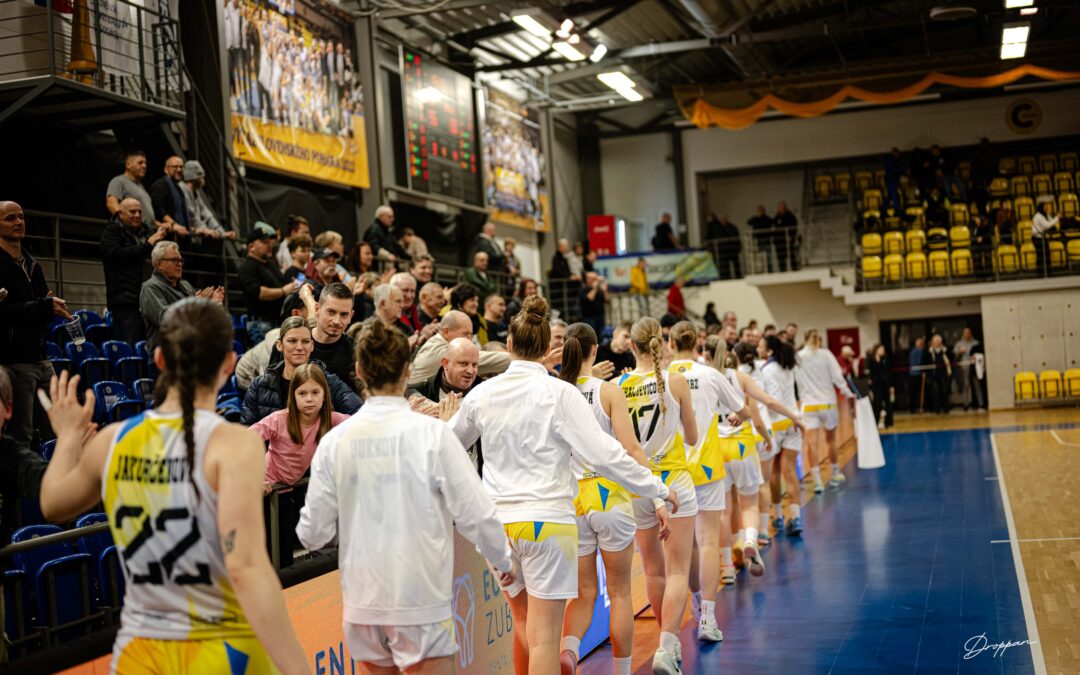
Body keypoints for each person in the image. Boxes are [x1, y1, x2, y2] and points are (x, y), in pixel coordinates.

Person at [38, 299, 309, 675]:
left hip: (139, 652)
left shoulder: (113, 439)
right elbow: (246, 568)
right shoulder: (232, 443)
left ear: (160, 359)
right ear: (229, 364)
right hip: (219, 648)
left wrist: (68, 437)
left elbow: (52, 505)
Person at [447, 296, 674, 675]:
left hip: (496, 529)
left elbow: (445, 447)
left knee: (523, 625)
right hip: (548, 525)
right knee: (544, 640)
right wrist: (658, 489)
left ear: (507, 346)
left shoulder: (481, 394)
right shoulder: (559, 394)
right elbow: (607, 454)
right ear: (547, 349)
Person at [297, 320, 514, 675]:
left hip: (364, 604)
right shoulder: (432, 434)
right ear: (408, 369)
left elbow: (312, 535)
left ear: (358, 370)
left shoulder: (336, 441)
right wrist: (503, 562)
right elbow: (476, 513)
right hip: (422, 600)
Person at [558, 323, 667, 675]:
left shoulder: (554, 391)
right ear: (594, 351)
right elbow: (632, 449)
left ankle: (570, 650)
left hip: (571, 498)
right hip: (609, 494)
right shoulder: (607, 391)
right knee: (620, 593)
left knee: (584, 591)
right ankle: (621, 671)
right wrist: (659, 498)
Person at [619, 316, 698, 673]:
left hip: (637, 482)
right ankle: (667, 645)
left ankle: (667, 644)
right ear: (662, 342)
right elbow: (694, 437)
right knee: (678, 569)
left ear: (630, 346)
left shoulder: (616, 385)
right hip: (675, 482)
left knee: (653, 569)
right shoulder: (676, 381)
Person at [667, 322, 748, 642]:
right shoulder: (710, 374)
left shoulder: (661, 376)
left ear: (670, 342)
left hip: (673, 470)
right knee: (709, 541)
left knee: (686, 548)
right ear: (698, 342)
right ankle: (709, 620)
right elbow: (742, 409)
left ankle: (697, 607)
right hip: (709, 467)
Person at [251, 363, 348, 566]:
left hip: (291, 490)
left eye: (315, 392)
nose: (310, 399)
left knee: (286, 551)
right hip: (267, 491)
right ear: (293, 396)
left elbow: (361, 425)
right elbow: (245, 440)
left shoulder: (330, 419)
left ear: (325, 394)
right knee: (272, 553)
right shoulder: (279, 419)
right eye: (302, 393)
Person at [0, 202, 71, 447]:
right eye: (10, 218)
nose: (19, 222)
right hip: (14, 361)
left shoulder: (32, 263)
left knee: (55, 430)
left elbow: (39, 308)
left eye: (21, 217)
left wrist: (50, 308)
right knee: (22, 433)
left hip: (41, 357)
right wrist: (42, 306)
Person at [241, 316, 362, 425]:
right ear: (279, 345)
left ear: (312, 346)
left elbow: (359, 413)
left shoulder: (329, 382)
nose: (299, 347)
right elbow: (247, 432)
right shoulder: (259, 386)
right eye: (292, 341)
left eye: (305, 341)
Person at [101, 197, 171, 344]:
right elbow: (116, 256)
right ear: (120, 213)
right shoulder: (111, 231)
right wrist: (148, 244)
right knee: (130, 344)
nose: (138, 215)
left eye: (139, 211)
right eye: (133, 212)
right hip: (125, 301)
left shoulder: (146, 231)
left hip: (148, 297)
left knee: (150, 346)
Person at [795, 329, 856, 493]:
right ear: (819, 340)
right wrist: (848, 393)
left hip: (808, 405)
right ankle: (835, 475)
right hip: (827, 404)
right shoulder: (826, 354)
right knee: (831, 440)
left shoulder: (798, 357)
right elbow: (838, 377)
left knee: (812, 443)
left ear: (805, 339)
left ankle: (817, 482)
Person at [758, 334, 805, 536]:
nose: (757, 349)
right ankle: (795, 516)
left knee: (774, 473)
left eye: (760, 346)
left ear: (769, 351)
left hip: (776, 422)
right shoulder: (788, 367)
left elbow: (772, 400)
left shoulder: (767, 370)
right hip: (792, 420)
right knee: (790, 471)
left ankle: (777, 516)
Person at [140, 241, 224, 351]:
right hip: (166, 355)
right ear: (159, 264)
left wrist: (212, 305)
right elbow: (165, 319)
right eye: (174, 260)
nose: (179, 264)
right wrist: (193, 303)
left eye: (180, 260)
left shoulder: (186, 285)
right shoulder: (150, 288)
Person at [410, 310, 510, 386]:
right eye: (465, 334)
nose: (470, 340)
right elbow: (489, 360)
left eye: (471, 335)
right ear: (446, 332)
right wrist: (522, 357)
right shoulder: (438, 351)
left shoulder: (434, 345)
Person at [239, 222, 297, 344]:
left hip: (277, 320)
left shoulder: (271, 264)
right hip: (260, 323)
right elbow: (258, 292)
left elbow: (283, 282)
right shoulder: (247, 266)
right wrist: (283, 291)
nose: (269, 244)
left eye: (270, 241)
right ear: (251, 247)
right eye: (264, 242)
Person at [178, 161, 235, 239]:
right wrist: (208, 230)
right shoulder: (182, 189)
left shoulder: (196, 192)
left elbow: (207, 215)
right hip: (184, 235)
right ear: (194, 176)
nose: (203, 179)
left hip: (194, 236)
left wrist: (220, 232)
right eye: (201, 176)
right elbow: (192, 217)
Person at [106, 150, 158, 228]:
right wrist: (126, 225)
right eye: (140, 163)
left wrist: (160, 225)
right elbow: (111, 204)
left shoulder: (141, 186)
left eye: (145, 163)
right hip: (134, 234)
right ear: (128, 164)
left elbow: (148, 217)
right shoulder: (118, 181)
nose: (144, 166)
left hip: (147, 233)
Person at [148, 156, 189, 232]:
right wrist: (174, 224)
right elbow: (158, 208)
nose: (179, 170)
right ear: (166, 169)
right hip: (167, 233)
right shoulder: (160, 185)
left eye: (181, 167)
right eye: (175, 167)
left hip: (181, 233)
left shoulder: (179, 188)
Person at [867, 344, 894, 429]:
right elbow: (871, 372)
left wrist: (891, 386)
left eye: (883, 349)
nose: (882, 351)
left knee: (888, 404)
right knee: (877, 404)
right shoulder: (871, 360)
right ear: (876, 350)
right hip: (877, 385)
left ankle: (888, 422)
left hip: (885, 384)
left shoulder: (885, 359)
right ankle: (875, 422)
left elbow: (888, 372)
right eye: (881, 349)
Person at [952, 327, 980, 411]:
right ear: (963, 334)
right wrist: (959, 353)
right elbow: (955, 356)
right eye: (965, 333)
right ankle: (966, 404)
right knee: (966, 385)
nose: (967, 334)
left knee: (977, 385)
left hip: (975, 367)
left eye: (968, 332)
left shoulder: (975, 343)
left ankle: (980, 403)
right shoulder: (959, 344)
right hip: (964, 367)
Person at [925, 334, 952, 414]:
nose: (936, 343)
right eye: (934, 342)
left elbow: (951, 358)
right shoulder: (928, 351)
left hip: (943, 374)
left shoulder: (945, 350)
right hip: (933, 375)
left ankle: (946, 408)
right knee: (935, 392)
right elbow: (925, 362)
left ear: (940, 342)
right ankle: (937, 409)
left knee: (944, 391)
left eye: (937, 342)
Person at [1032, 200, 1059, 275]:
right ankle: (1041, 272)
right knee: (1040, 255)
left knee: (1047, 254)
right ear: (1041, 208)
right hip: (1037, 238)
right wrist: (1057, 218)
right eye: (1045, 207)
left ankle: (1048, 271)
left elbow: (1050, 221)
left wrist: (1050, 216)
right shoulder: (1038, 216)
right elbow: (1047, 225)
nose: (1046, 208)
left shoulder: (1044, 215)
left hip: (1042, 237)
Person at [578, 271, 607, 337]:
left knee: (601, 335)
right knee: (591, 336)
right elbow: (590, 298)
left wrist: (605, 290)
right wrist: (595, 288)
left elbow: (606, 299)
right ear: (587, 279)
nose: (595, 281)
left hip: (600, 316)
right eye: (592, 279)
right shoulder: (583, 289)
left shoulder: (599, 290)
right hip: (589, 317)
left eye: (595, 278)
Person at [748, 205, 774, 273]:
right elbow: (748, 222)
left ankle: (769, 270)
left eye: (761, 210)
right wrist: (756, 216)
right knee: (759, 257)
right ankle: (761, 270)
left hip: (766, 239)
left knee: (768, 256)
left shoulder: (767, 218)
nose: (760, 212)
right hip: (758, 240)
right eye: (758, 210)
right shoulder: (756, 218)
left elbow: (771, 222)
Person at [908, 336, 927, 413]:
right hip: (916, 374)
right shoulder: (917, 351)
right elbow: (919, 362)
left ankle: (915, 408)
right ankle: (915, 408)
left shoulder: (913, 351)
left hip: (914, 373)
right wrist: (922, 371)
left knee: (915, 392)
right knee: (916, 392)